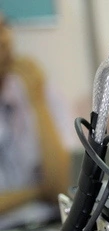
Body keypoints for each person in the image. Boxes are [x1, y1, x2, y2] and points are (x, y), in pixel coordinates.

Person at [0, 14, 71, 216]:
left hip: (47, 220)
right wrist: (37, 192)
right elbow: (48, 190)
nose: (4, 39)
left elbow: (59, 185)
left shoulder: (35, 88)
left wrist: (38, 102)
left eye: (4, 27)